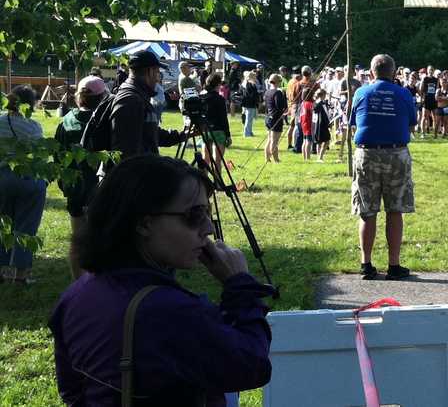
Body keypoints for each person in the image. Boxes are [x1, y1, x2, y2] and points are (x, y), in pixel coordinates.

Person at [50, 155, 273, 405]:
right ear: (144, 224)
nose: (209, 228)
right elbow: (253, 365)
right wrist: (240, 285)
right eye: (195, 215)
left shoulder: (77, 294)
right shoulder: (170, 311)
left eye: (207, 213)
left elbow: (71, 389)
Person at [350, 54, 418, 280]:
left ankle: (366, 263)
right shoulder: (403, 93)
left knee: (367, 210)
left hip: (366, 153)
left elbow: (354, 121)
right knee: (395, 209)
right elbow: (411, 121)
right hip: (396, 153)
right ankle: (393, 265)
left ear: (371, 72)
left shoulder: (360, 93)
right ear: (394, 72)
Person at [54, 77, 109, 279]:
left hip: (75, 187)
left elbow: (58, 156)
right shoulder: (103, 121)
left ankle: (79, 284)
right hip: (100, 187)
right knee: (102, 239)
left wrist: (65, 184)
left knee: (78, 239)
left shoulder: (66, 120)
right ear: (102, 97)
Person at [0, 85, 47, 284]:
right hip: (28, 177)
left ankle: (1, 272)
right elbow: (39, 156)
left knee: (3, 224)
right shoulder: (33, 127)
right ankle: (20, 275)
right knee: (27, 226)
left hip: (2, 175)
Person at [106, 50, 184, 162]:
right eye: (158, 73)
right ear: (150, 71)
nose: (158, 79)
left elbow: (150, 133)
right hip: (132, 177)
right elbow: (125, 153)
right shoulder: (130, 100)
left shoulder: (138, 96)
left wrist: (182, 134)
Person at [262, 74, 288, 163]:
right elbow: (279, 106)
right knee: (275, 141)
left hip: (268, 117)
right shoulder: (278, 92)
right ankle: (276, 159)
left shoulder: (267, 92)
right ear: (278, 82)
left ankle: (267, 158)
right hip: (276, 118)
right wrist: (284, 111)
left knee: (269, 139)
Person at [313, 88, 333, 160]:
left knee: (320, 141)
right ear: (322, 95)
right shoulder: (319, 103)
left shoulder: (322, 103)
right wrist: (329, 123)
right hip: (321, 124)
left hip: (320, 124)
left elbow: (328, 110)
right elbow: (321, 113)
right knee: (326, 141)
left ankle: (319, 157)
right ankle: (320, 157)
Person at [241, 71, 260, 138]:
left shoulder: (251, 84)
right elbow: (250, 95)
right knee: (248, 120)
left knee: (250, 119)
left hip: (250, 104)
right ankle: (246, 133)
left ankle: (250, 132)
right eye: (254, 77)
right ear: (251, 77)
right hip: (249, 104)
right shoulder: (248, 84)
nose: (255, 78)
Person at [299, 89, 315, 161]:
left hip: (303, 122)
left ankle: (304, 156)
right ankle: (307, 157)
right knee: (308, 141)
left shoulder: (303, 103)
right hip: (308, 122)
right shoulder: (309, 104)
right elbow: (312, 112)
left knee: (304, 140)